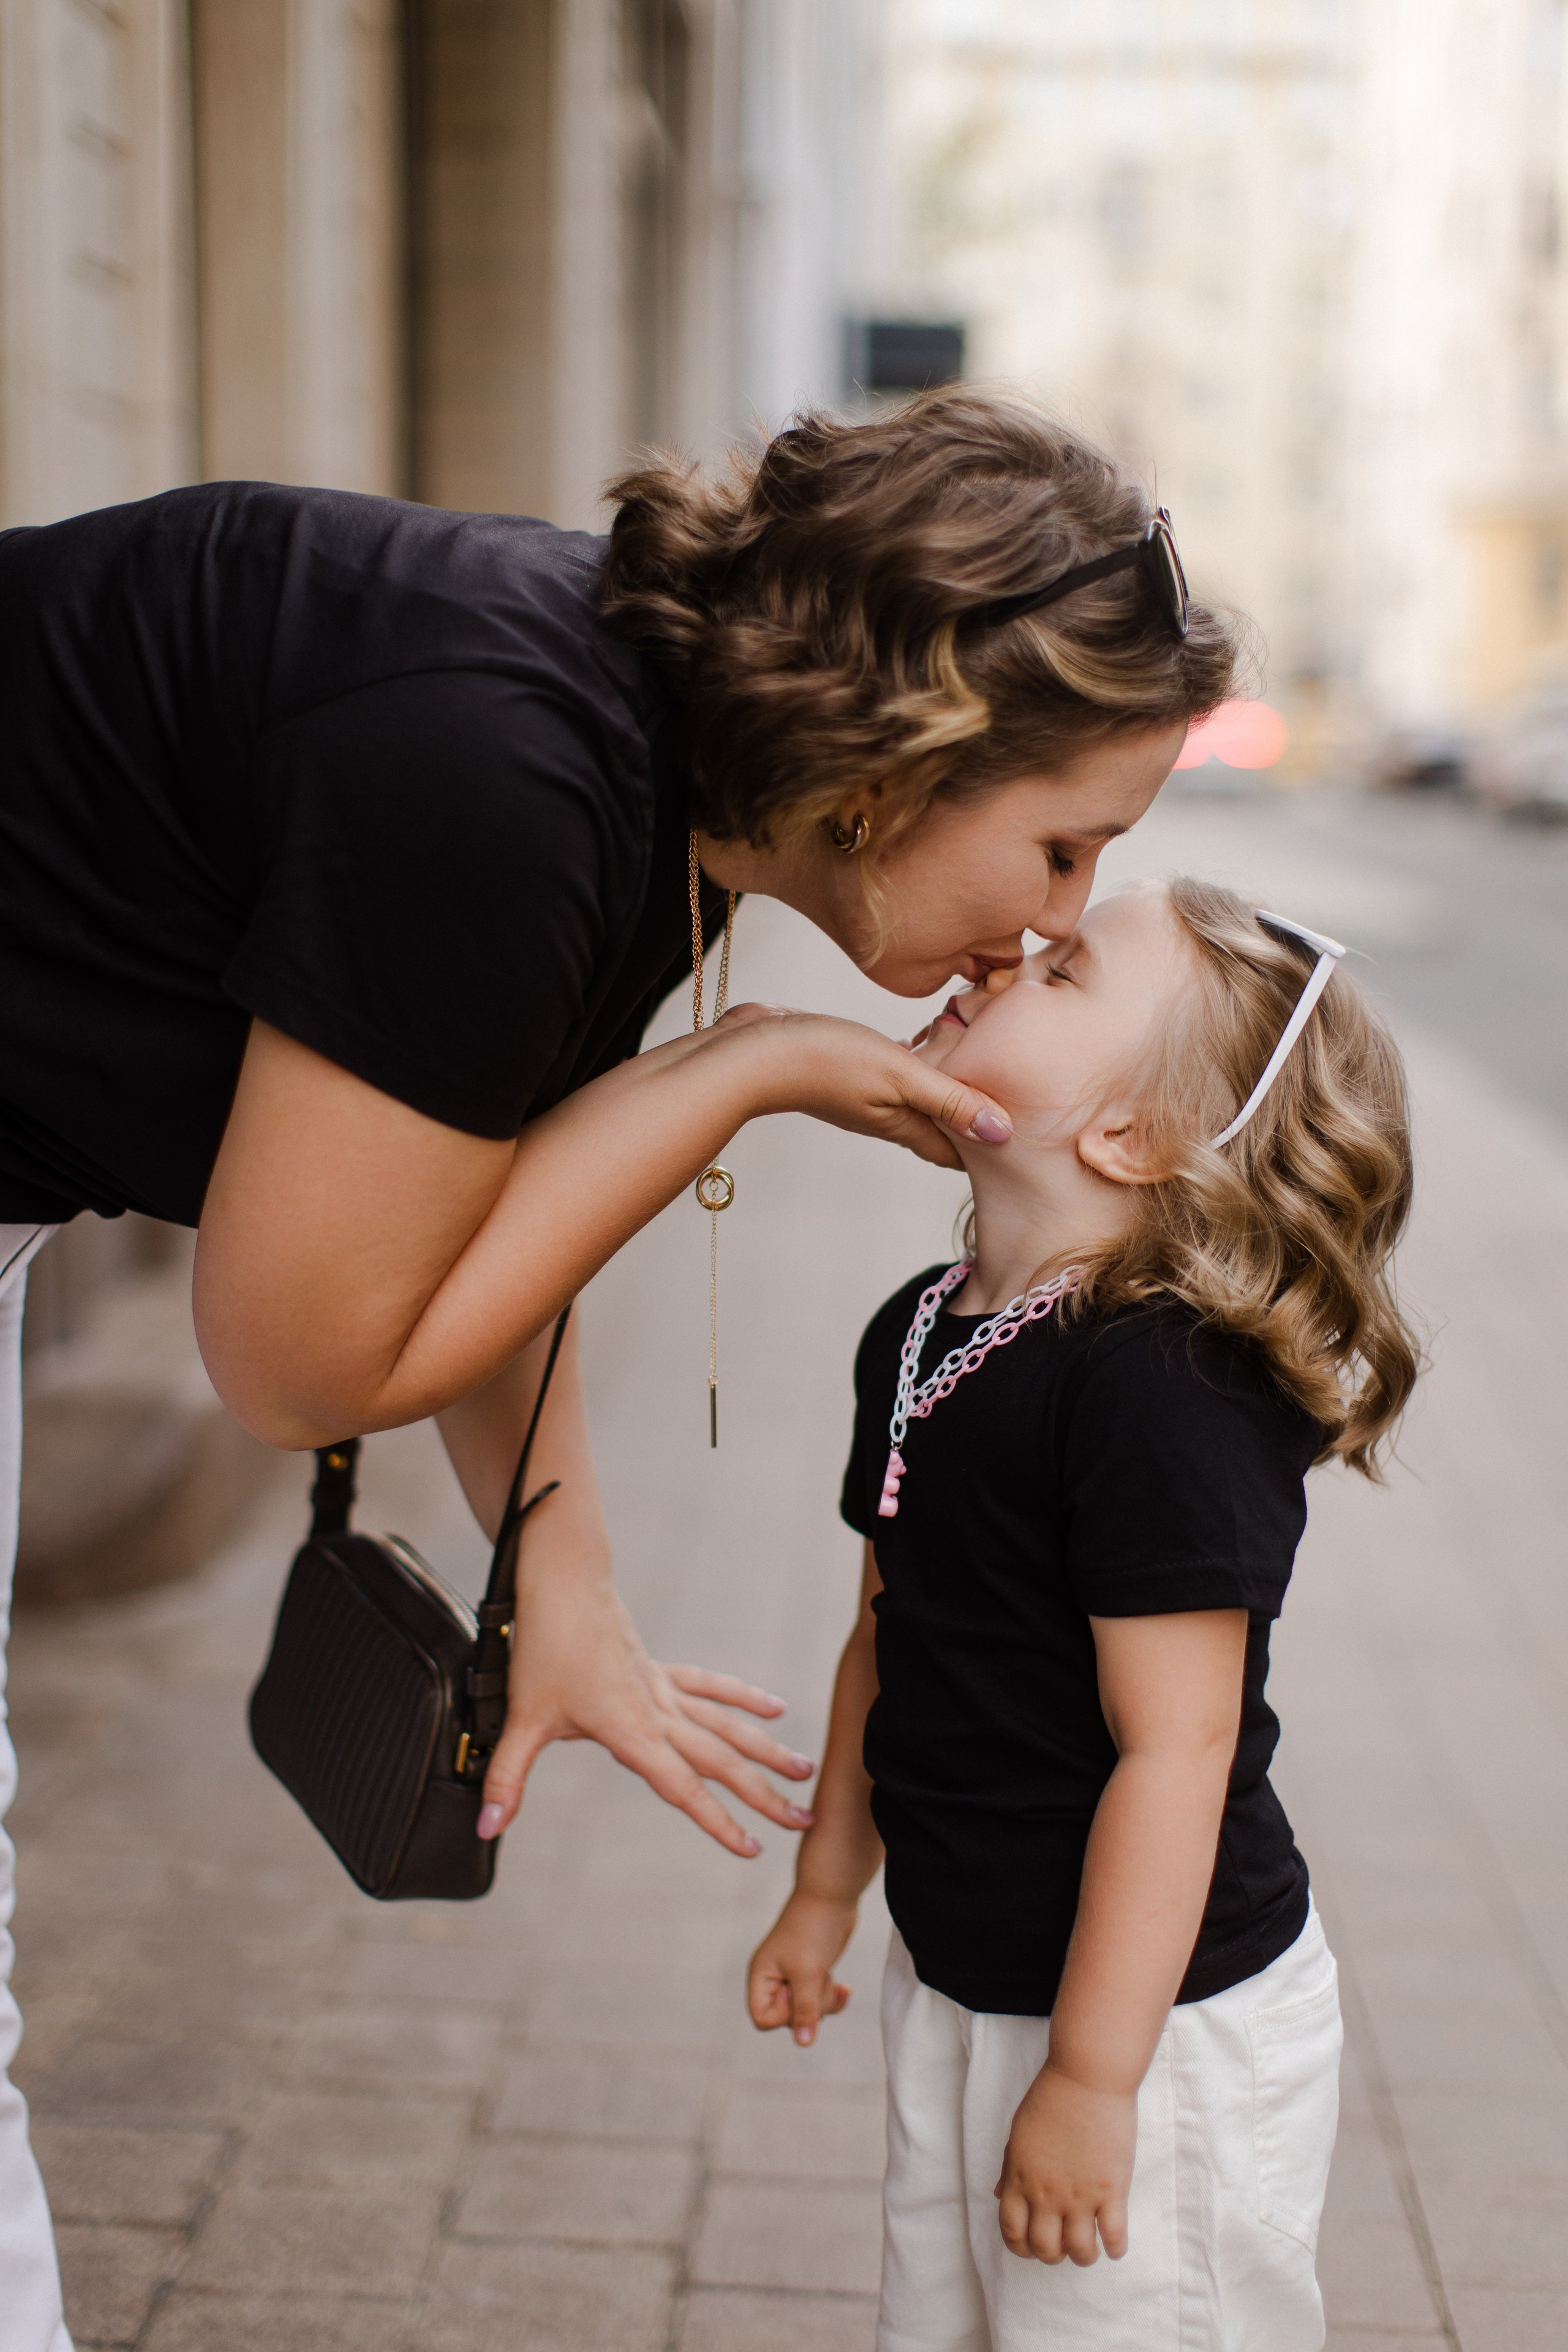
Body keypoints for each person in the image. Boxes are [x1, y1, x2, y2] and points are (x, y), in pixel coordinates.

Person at [0, 390, 1234, 2348]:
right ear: (907, 755)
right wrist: (734, 1078)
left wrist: (561, 1587)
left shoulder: (626, 760)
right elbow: (303, 1356)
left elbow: (461, 1179)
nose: (1057, 918)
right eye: (1065, 845)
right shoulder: (507, 768)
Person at [747, 877, 1420, 2352]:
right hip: (959, 1974)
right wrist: (822, 1887)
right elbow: (888, 1634)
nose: (1003, 955)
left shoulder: (1158, 1387)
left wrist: (1094, 2080)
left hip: (1154, 2027)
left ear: (1126, 1135)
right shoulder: (923, 1329)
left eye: (1060, 975)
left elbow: (1174, 1752)